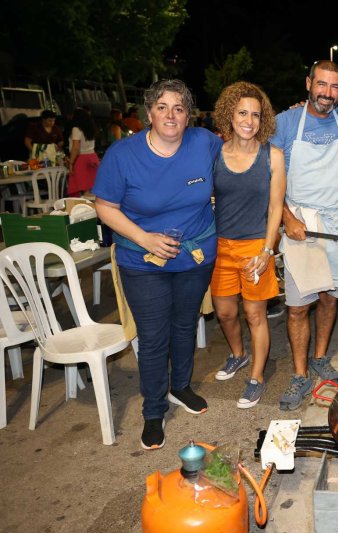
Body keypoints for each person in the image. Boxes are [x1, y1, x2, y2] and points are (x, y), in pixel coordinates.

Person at [94, 79, 223, 449]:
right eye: (162, 107)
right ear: (148, 113)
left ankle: (180, 387)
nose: (171, 115)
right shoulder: (123, 154)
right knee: (153, 338)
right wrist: (144, 238)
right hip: (142, 260)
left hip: (195, 256)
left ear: (188, 116)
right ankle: (154, 411)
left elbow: (241, 151)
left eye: (179, 108)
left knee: (185, 325)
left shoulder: (203, 142)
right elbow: (105, 207)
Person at [271, 60, 338, 411]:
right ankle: (300, 373)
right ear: (308, 83)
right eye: (321, 84)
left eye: (334, 87)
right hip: (301, 223)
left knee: (329, 298)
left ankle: (320, 357)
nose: (327, 93)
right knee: (296, 306)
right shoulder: (285, 122)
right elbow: (270, 180)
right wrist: (287, 218)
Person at [210, 81, 286, 408]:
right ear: (230, 114)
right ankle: (238, 355)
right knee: (225, 313)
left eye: (255, 115)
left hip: (256, 246)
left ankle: (256, 377)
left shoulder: (274, 156)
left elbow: (276, 208)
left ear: (263, 119)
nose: (249, 120)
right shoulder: (214, 153)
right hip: (220, 246)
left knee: (255, 315)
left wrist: (267, 250)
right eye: (242, 112)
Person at [67, 107, 99, 196]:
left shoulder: (76, 129)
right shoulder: (91, 128)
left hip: (81, 159)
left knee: (83, 189)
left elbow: (75, 147)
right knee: (92, 188)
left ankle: (83, 209)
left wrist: (71, 163)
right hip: (93, 157)